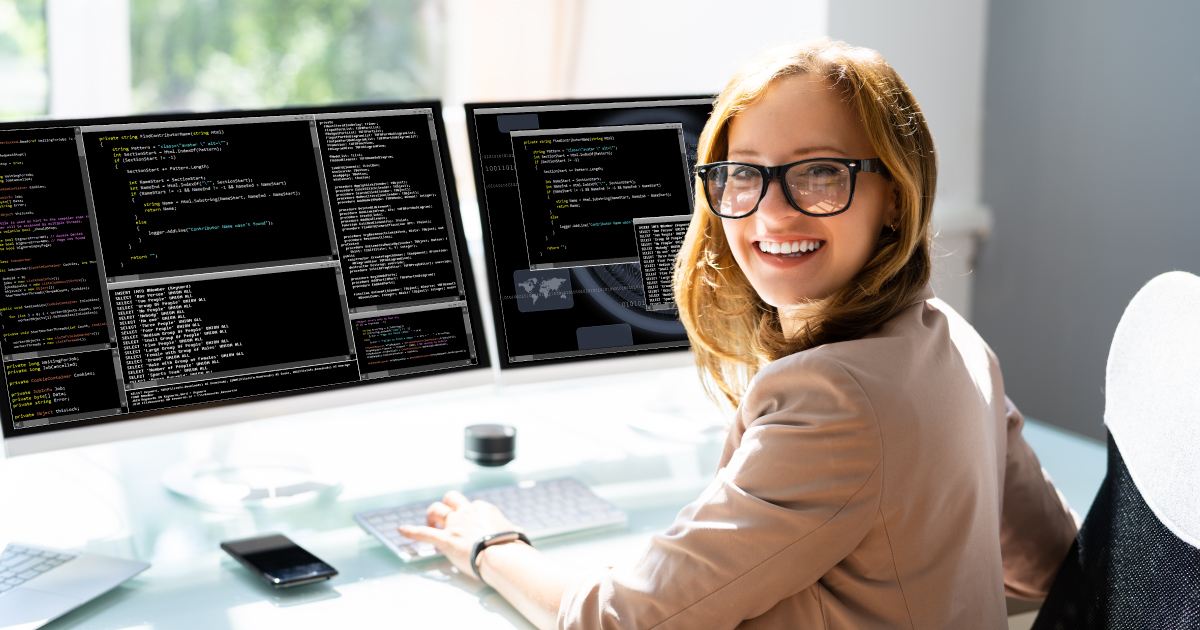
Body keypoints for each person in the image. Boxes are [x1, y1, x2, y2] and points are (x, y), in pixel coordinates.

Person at [400, 39, 1079, 629]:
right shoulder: (952, 340)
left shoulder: (834, 399)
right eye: (744, 173)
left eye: (819, 173)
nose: (771, 213)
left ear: (896, 194)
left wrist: (494, 545)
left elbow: (618, 621)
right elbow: (1050, 565)